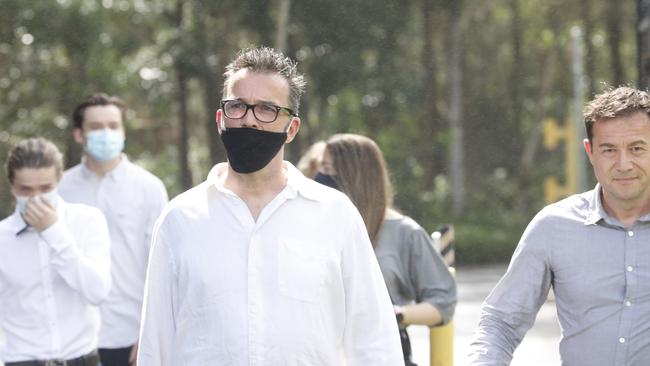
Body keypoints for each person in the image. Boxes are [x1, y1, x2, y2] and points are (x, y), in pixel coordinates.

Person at [137, 46, 402, 365]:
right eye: (237, 106)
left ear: (291, 128)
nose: (249, 120)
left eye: (266, 109)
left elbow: (372, 334)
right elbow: (156, 341)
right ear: (221, 118)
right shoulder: (179, 219)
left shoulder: (335, 214)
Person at [468, 86, 650, 365]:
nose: (623, 164)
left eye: (636, 148)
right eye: (609, 150)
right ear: (590, 152)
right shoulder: (552, 227)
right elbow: (501, 323)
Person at [318, 133, 457, 365]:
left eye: (329, 168)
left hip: (381, 352)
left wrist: (395, 314)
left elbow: (443, 301)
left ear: (354, 175)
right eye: (321, 167)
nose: (320, 177)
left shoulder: (404, 233)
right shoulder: (313, 223)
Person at [58, 93, 169, 366]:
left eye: (113, 125)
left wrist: (150, 334)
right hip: (72, 339)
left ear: (123, 131)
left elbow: (162, 267)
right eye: (96, 127)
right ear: (78, 134)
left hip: (131, 335)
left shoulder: (149, 188)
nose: (106, 133)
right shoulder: (60, 188)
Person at [0, 137, 111, 366]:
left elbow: (97, 291)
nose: (36, 197)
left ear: (59, 180)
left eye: (45, 188)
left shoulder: (88, 221)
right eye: (26, 190)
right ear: (12, 187)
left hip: (83, 359)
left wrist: (53, 232)